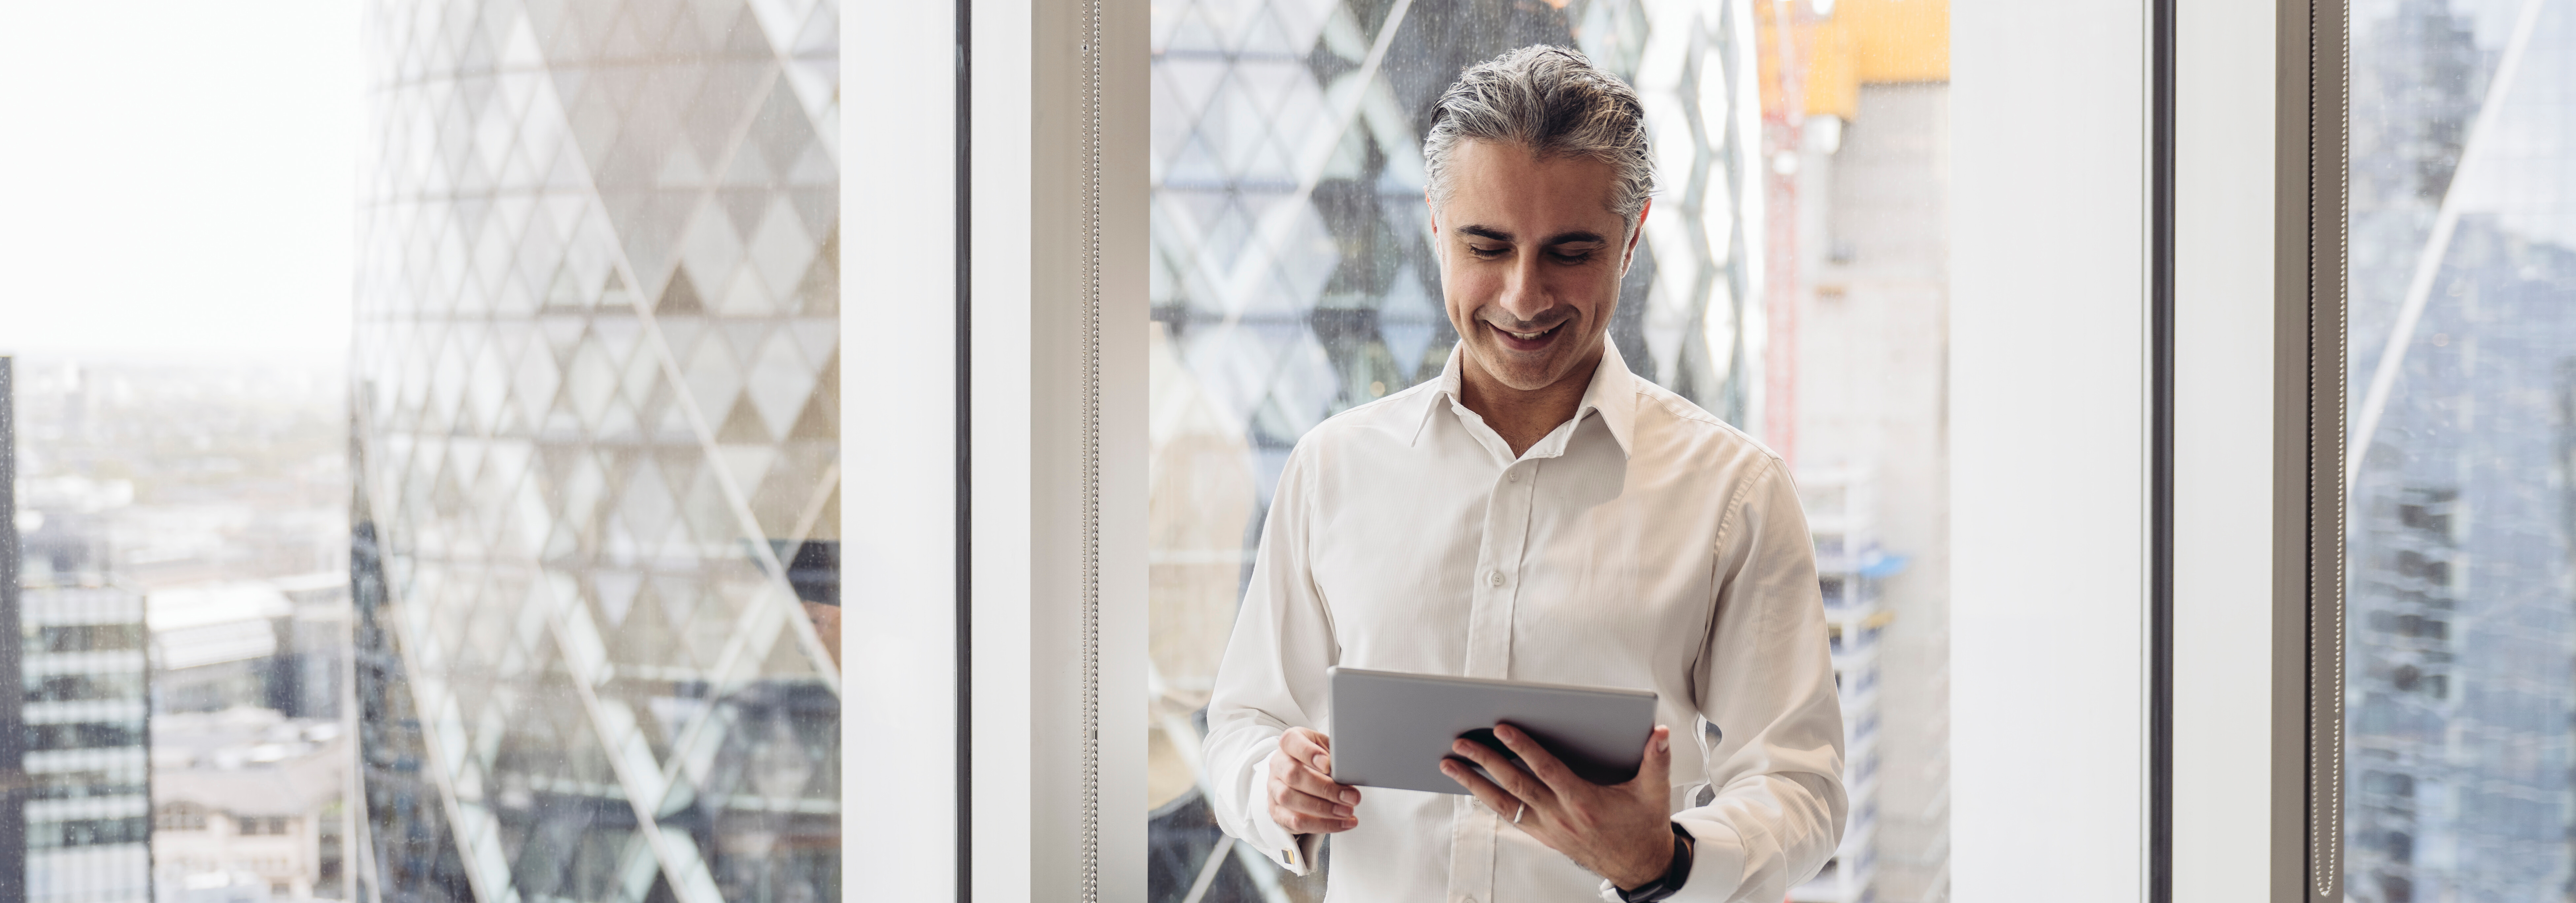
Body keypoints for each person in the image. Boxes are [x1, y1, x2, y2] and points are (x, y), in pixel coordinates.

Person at [1200, 46, 1847, 903]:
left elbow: (1800, 786)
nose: (1523, 295)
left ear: (1632, 238)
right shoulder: (1332, 467)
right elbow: (1243, 723)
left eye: (1570, 252)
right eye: (1487, 245)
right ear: (1436, 226)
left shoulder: (1736, 494)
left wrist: (1666, 860)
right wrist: (1269, 784)